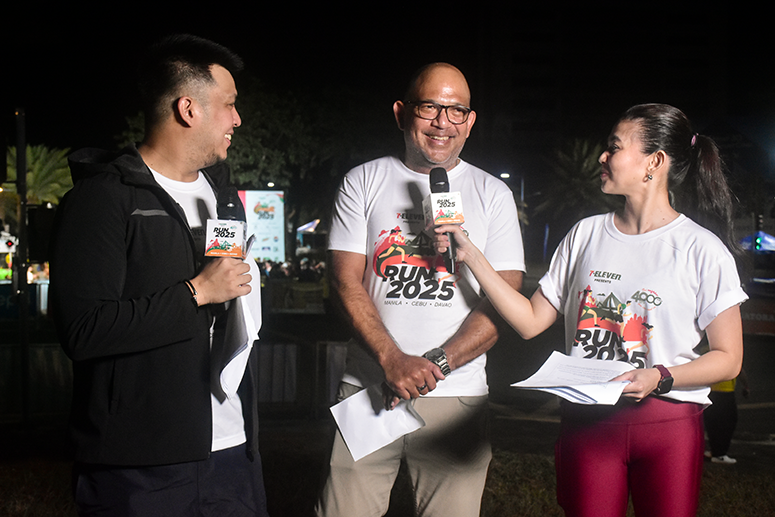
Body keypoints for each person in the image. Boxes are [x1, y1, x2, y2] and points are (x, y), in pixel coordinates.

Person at [433, 103, 747, 517]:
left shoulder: (701, 249)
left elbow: (729, 358)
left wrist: (659, 376)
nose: (602, 157)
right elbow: (530, 321)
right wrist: (470, 254)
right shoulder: (584, 235)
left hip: (667, 426)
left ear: (654, 162)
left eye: (614, 147)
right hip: (587, 422)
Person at [49, 34, 269, 516]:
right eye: (229, 104)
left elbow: (229, 298)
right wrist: (197, 292)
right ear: (188, 109)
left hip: (233, 452)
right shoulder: (101, 199)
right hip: (138, 466)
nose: (237, 119)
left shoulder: (223, 196)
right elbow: (83, 330)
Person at [315, 63, 525, 517]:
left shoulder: (492, 193)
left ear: (470, 121)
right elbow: (344, 280)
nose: (442, 122)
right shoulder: (362, 180)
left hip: (456, 393)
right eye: (429, 107)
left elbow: (504, 297)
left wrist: (436, 364)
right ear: (401, 113)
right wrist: (391, 360)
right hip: (369, 387)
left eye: (456, 110)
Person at [704, 369, 750, 464]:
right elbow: (739, 370)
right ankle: (720, 454)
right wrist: (746, 386)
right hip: (725, 391)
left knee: (713, 422)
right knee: (728, 423)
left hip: (710, 390)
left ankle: (714, 451)